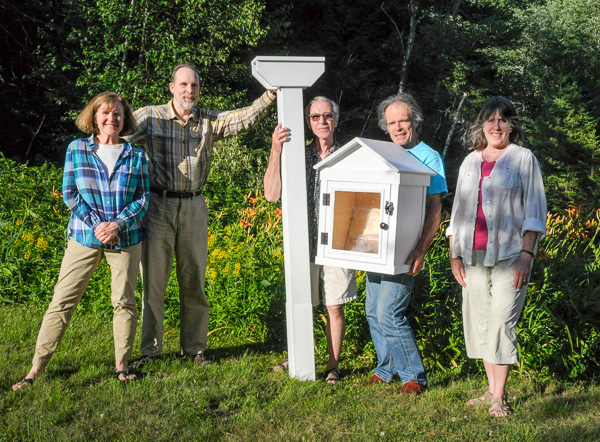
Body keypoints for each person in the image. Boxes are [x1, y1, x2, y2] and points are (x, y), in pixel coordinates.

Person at [127, 64, 276, 367]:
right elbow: (114, 136)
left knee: (194, 280)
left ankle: (194, 350)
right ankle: (150, 352)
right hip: (158, 205)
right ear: (171, 87)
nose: (189, 91)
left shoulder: (208, 120)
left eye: (194, 85)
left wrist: (272, 94)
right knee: (154, 283)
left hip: (194, 206)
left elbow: (243, 118)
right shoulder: (149, 117)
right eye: (183, 85)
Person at [12, 92, 149, 390]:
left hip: (126, 238)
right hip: (85, 237)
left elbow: (143, 197)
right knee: (62, 301)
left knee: (124, 303)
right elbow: (69, 193)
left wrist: (118, 224)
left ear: (124, 120)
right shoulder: (77, 149)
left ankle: (122, 365)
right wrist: (99, 225)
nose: (111, 118)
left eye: (118, 114)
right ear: (94, 117)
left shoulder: (136, 154)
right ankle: (35, 368)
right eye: (106, 113)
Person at [446, 96, 547, 416]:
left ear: (511, 125)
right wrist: (454, 255)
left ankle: (499, 397)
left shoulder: (523, 158)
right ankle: (491, 390)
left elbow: (535, 209)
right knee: (481, 323)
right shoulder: (470, 161)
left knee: (502, 322)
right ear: (482, 125)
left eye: (502, 119)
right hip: (472, 256)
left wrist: (526, 255)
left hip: (510, 255)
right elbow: (459, 212)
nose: (496, 125)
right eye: (490, 120)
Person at [264, 96, 357, 384]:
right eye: (315, 117)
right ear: (308, 122)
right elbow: (270, 194)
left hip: (338, 243)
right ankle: (299, 356)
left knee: (334, 305)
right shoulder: (296, 155)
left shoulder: (349, 155)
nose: (322, 121)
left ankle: (333, 367)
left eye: (327, 116)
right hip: (303, 241)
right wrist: (276, 149)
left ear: (336, 119)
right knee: (302, 303)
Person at [361, 93, 448, 395]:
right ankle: (385, 370)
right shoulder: (382, 153)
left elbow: (435, 208)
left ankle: (414, 377)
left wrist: (421, 249)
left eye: (403, 121)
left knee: (389, 312)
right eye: (392, 122)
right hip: (376, 245)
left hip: (404, 249)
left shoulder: (429, 157)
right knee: (373, 310)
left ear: (415, 122)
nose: (398, 127)